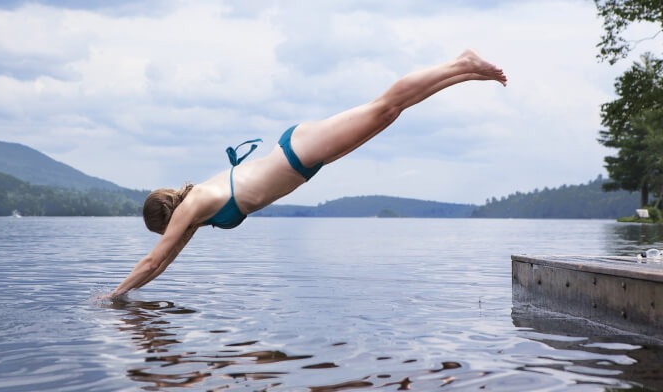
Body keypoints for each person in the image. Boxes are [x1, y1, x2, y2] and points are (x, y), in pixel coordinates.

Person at [108, 49, 507, 298]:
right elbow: (166, 260)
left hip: (297, 152)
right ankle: (465, 72)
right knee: (389, 114)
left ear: (163, 220)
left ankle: (462, 64)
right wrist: (127, 295)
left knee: (383, 106)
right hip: (304, 162)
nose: (168, 238)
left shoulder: (191, 207)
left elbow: (152, 261)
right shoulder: (195, 213)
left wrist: (112, 296)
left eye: (163, 232)